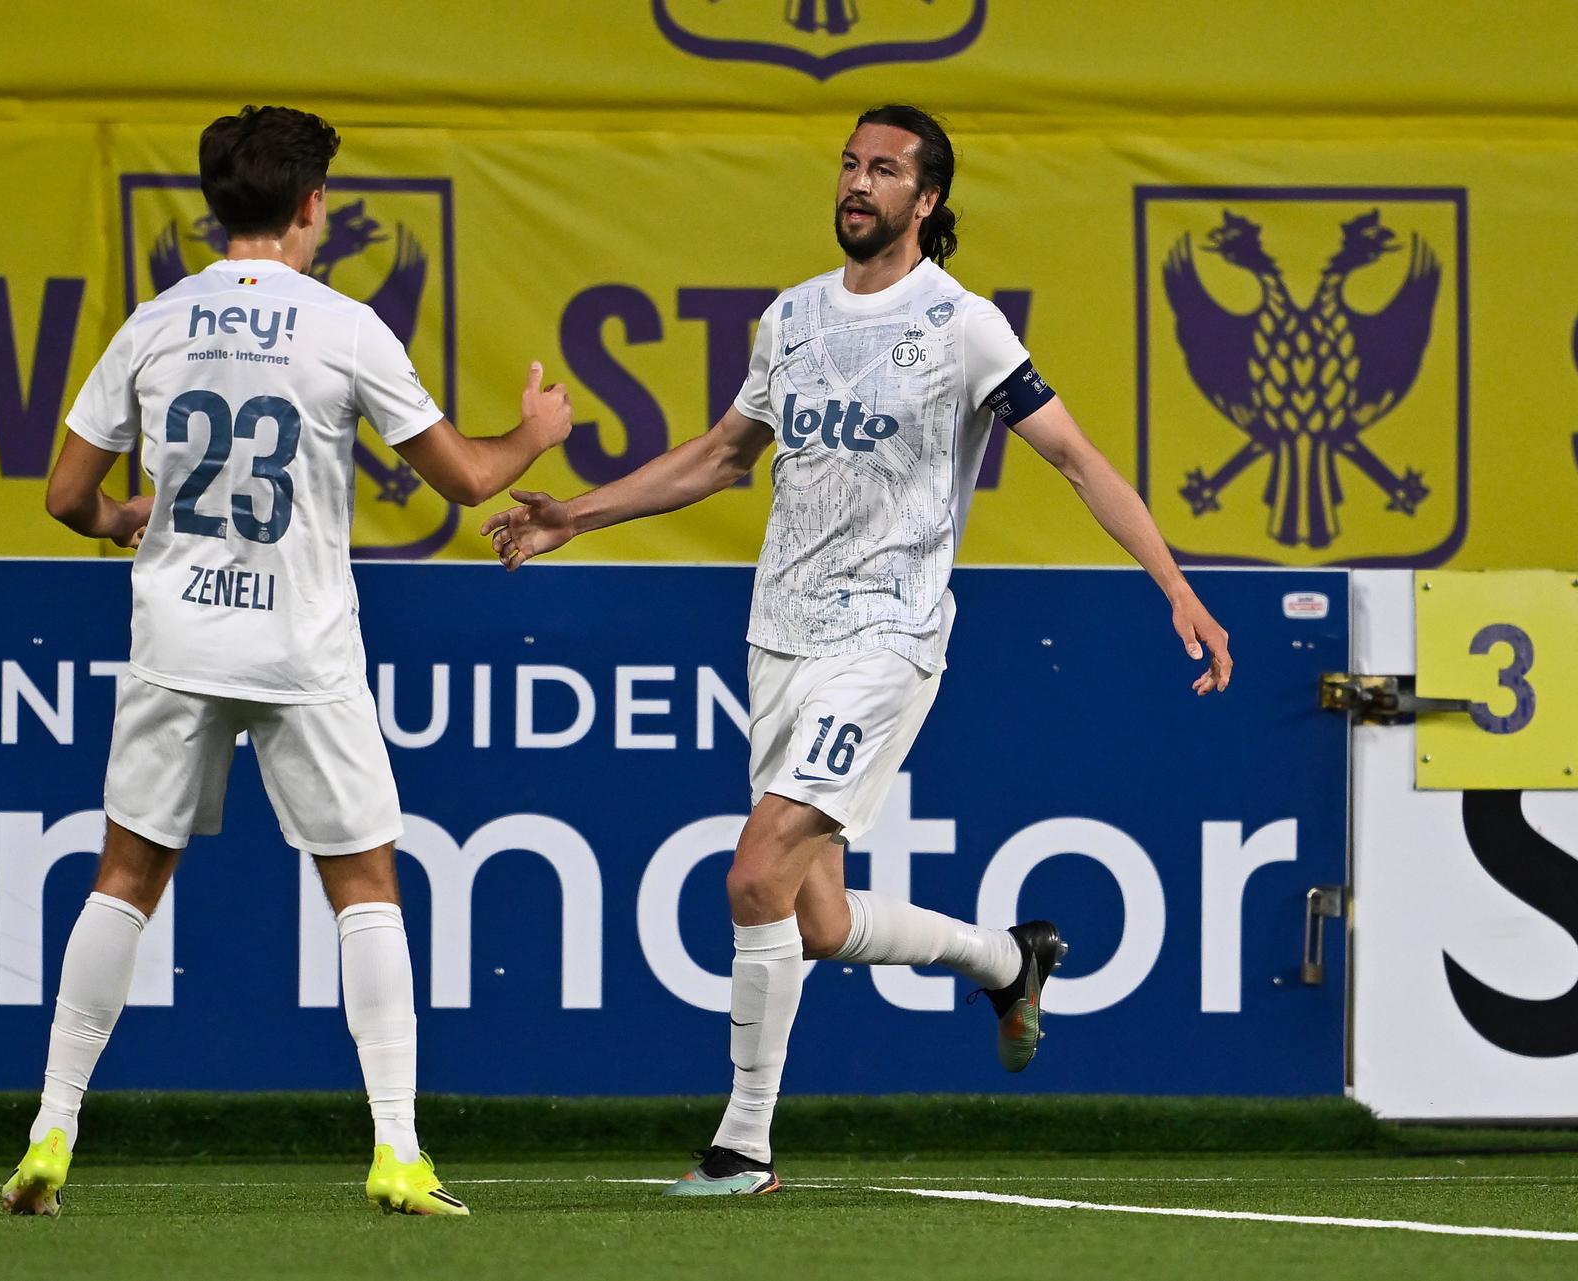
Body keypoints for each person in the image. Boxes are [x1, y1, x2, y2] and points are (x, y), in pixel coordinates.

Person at [482, 104, 1233, 1196]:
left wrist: (1173, 584)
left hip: (888, 637)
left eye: (884, 170)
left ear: (926, 201)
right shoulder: (790, 319)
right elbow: (722, 457)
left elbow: (1073, 456)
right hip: (779, 637)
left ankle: (742, 1144)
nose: (858, 183)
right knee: (817, 919)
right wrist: (574, 518)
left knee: (754, 873)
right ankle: (1007, 961)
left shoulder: (962, 325)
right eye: (849, 164)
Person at [3, 105, 572, 1219]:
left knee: (125, 877)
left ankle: (53, 1129)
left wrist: (127, 517)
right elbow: (462, 479)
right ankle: (399, 1150)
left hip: (177, 642)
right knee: (363, 884)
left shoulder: (155, 323)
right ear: (315, 207)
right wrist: (535, 435)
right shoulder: (345, 328)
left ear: (215, 210)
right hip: (301, 645)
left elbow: (66, 495)